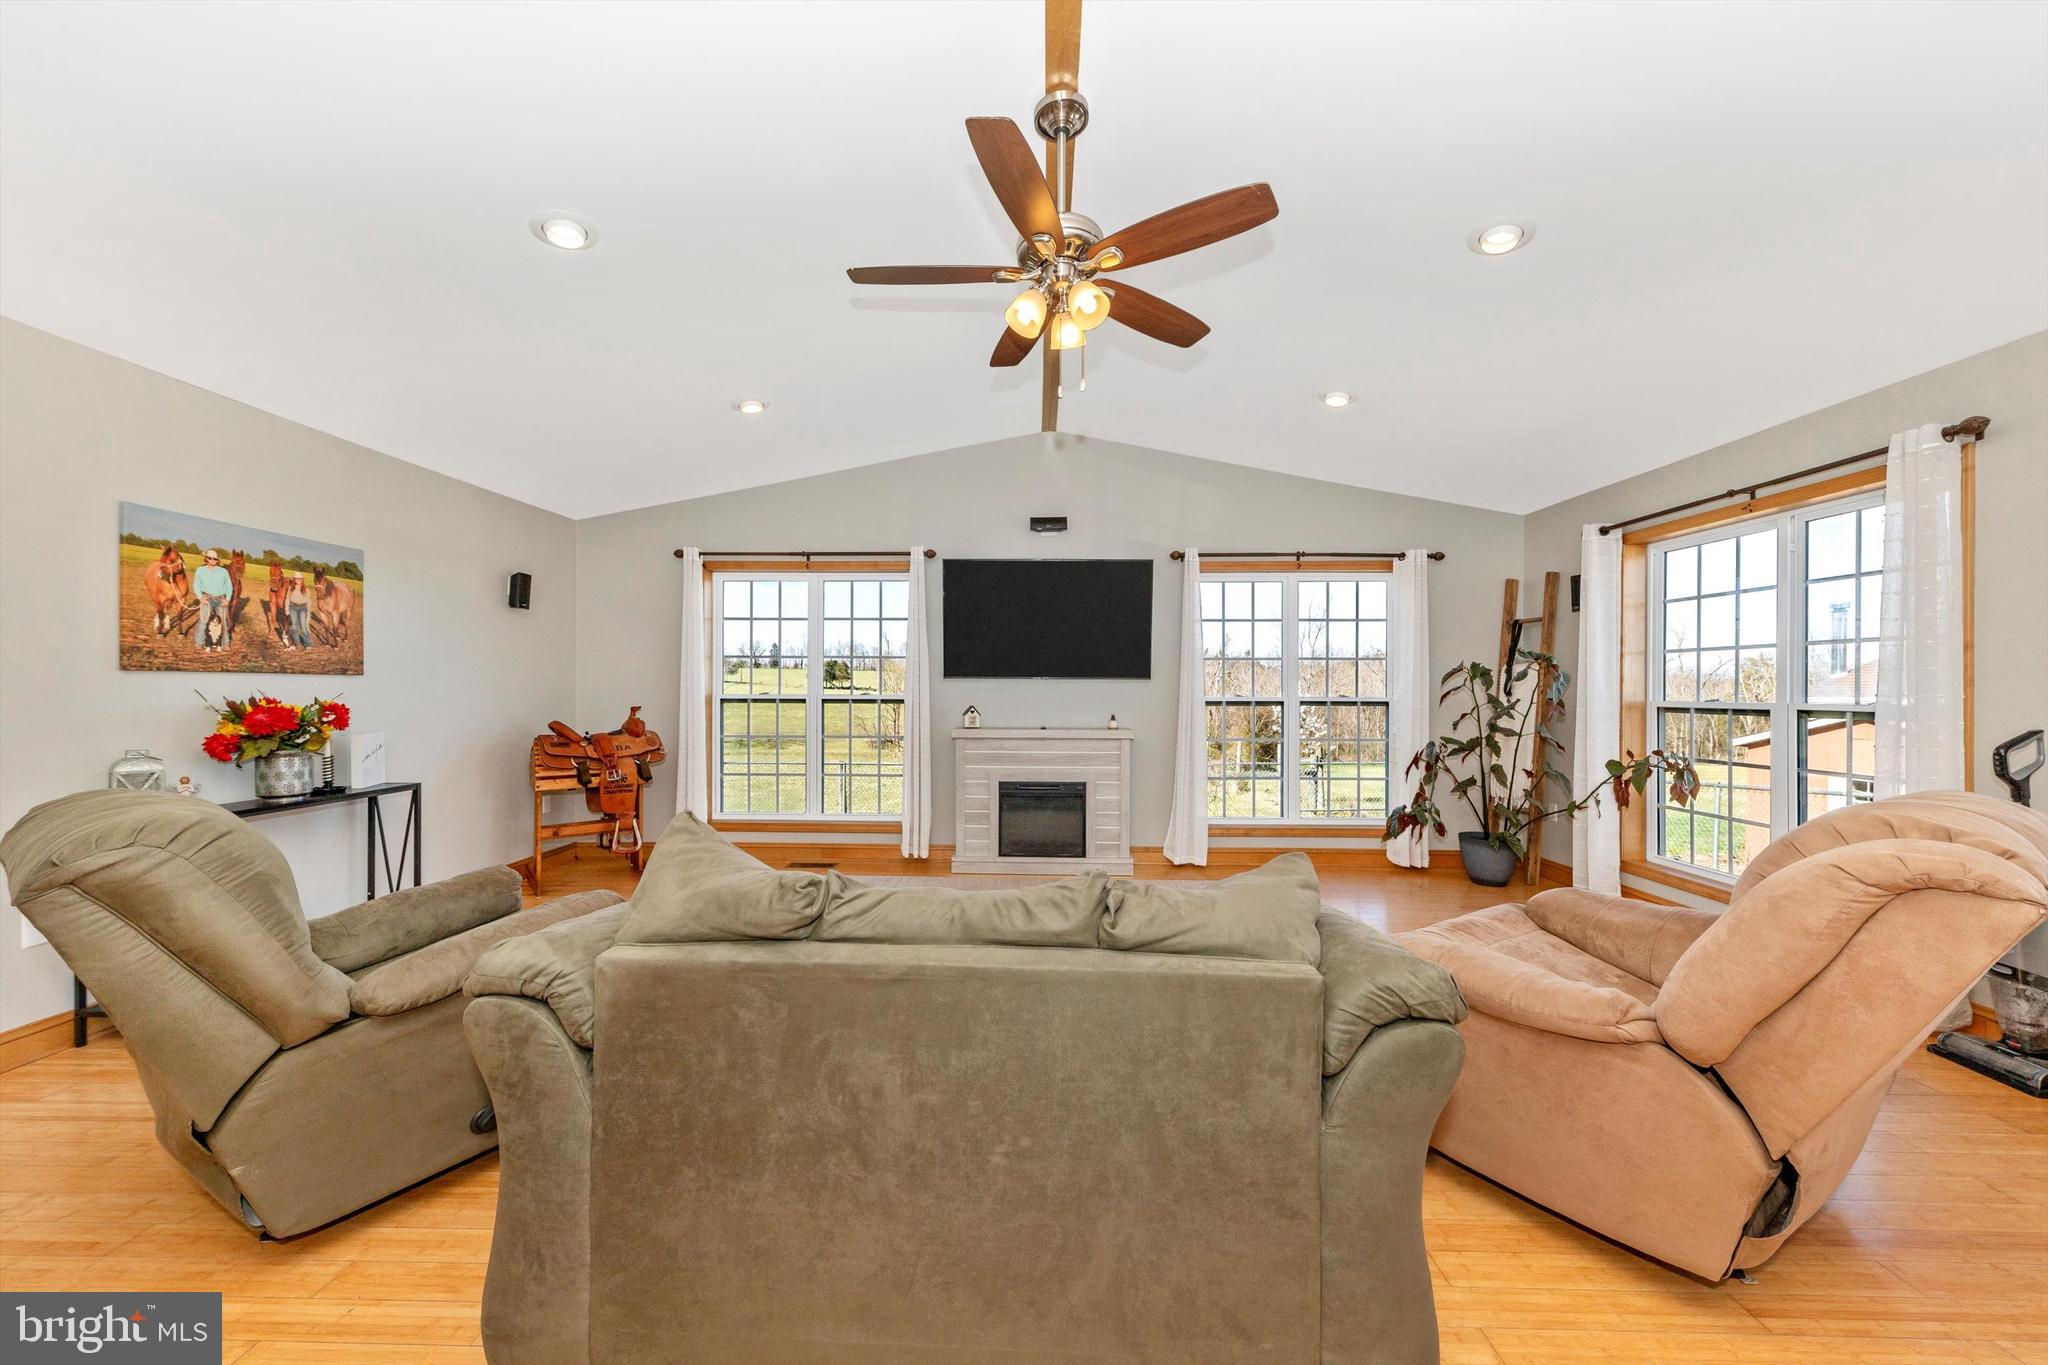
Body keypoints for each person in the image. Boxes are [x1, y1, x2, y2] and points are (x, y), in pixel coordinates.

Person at [191, 549, 233, 653]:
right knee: (204, 620)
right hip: (207, 598)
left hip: (221, 599)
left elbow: (229, 586)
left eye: (214, 558)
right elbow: (196, 585)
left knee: (223, 621)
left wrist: (227, 599)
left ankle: (225, 643)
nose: (212, 560)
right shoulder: (200, 570)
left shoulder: (224, 571)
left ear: (217, 560)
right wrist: (200, 598)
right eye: (210, 558)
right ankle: (199, 642)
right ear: (206, 559)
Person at [286, 571, 313, 649]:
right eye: (296, 579)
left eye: (300, 579)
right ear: (294, 579)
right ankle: (297, 643)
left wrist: (308, 611)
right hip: (293, 607)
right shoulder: (290, 588)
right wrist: (286, 609)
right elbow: (287, 599)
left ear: (302, 580)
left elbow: (309, 601)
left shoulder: (306, 590)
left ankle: (308, 644)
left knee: (303, 626)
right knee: (294, 626)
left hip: (302, 608)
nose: (298, 580)